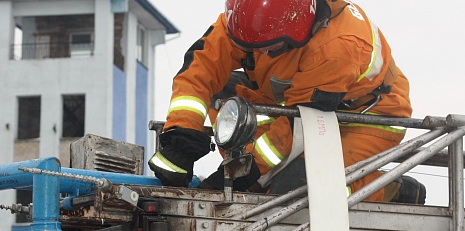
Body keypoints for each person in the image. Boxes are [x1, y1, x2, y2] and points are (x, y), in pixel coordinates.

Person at [148, 0, 425, 204]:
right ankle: (257, 181)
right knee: (227, 92)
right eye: (250, 45)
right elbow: (200, 69)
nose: (259, 52)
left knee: (300, 185)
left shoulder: (338, 46)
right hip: (295, 99)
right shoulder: (250, 18)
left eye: (270, 47)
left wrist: (244, 173)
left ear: (300, 28)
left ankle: (390, 190)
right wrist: (181, 135)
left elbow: (298, 127)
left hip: (367, 118)